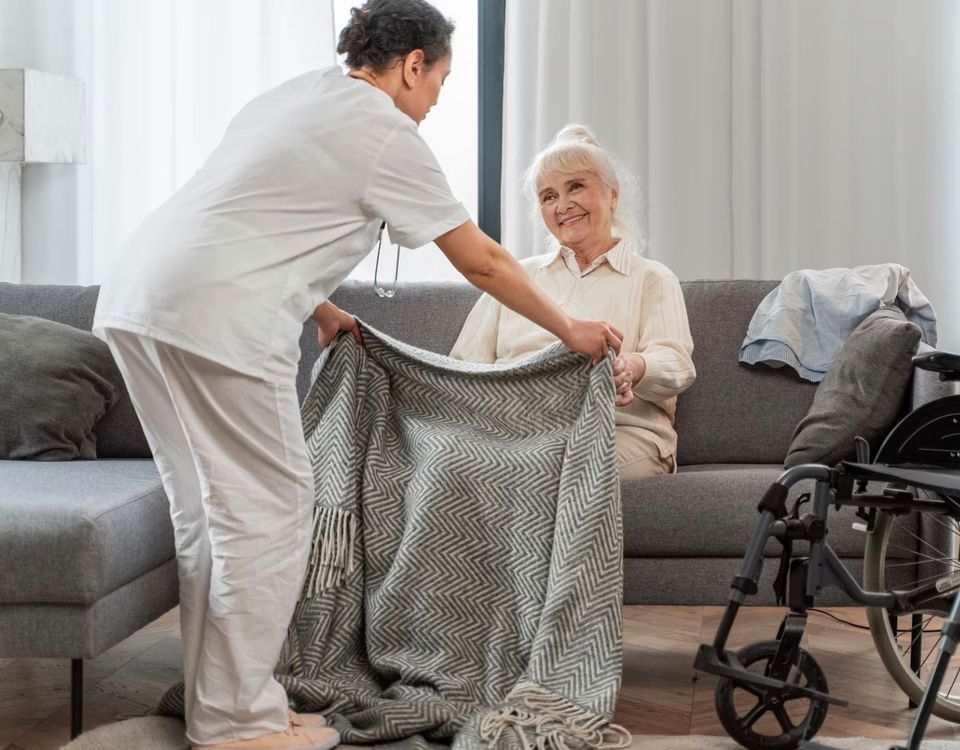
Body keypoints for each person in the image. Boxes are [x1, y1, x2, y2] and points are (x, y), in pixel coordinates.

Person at [91, 3, 623, 749]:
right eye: (439, 80)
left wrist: (320, 305)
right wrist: (570, 327)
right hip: (219, 321)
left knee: (208, 516)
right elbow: (481, 260)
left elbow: (251, 214)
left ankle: (229, 708)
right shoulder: (383, 132)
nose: (436, 98)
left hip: (138, 298)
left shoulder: (295, 97)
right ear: (412, 64)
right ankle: (241, 722)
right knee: (271, 515)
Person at [451, 125, 695, 481]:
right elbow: (464, 366)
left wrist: (633, 366)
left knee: (547, 467)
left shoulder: (652, 278)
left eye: (576, 186)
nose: (563, 205)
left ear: (613, 194)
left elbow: (677, 365)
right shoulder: (515, 277)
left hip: (618, 432)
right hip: (520, 433)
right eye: (548, 196)